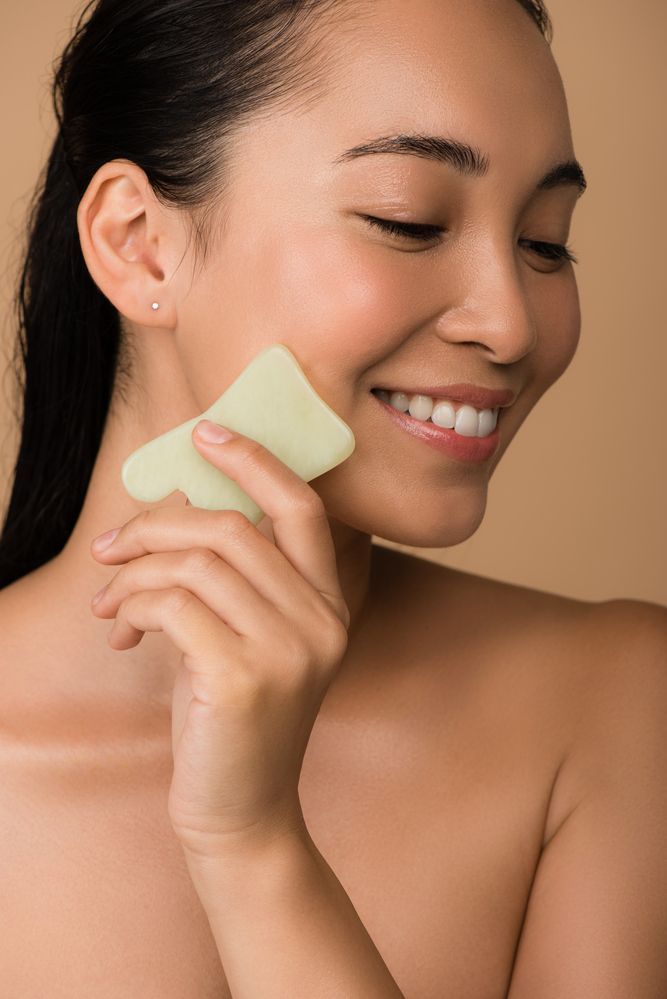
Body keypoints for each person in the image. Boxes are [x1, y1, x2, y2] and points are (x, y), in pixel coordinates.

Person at [1, 0, 665, 994]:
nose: (510, 324)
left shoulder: (613, 709)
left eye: (544, 241)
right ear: (138, 243)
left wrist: (252, 844)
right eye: (408, 221)